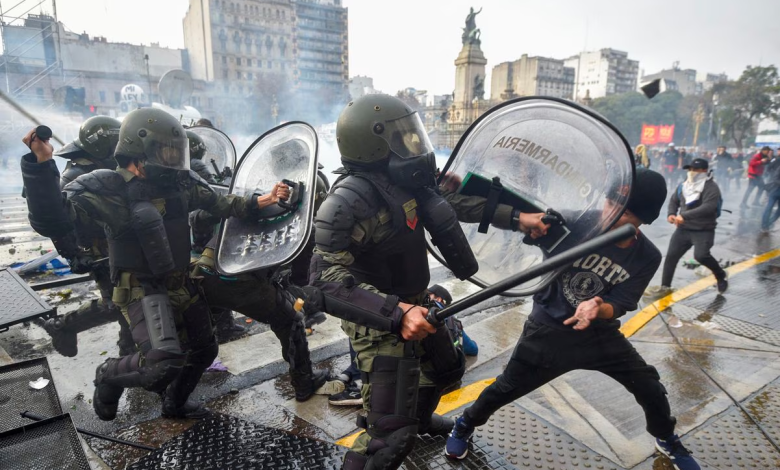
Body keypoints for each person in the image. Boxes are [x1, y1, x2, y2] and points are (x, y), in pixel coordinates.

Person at [309, 94, 550, 469]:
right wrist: (398, 312)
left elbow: (454, 204)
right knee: (390, 439)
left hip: (414, 300)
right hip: (377, 318)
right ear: (374, 143)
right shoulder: (347, 202)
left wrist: (519, 217)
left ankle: (418, 418)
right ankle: (393, 428)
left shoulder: (406, 180)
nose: (415, 142)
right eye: (402, 135)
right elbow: (324, 279)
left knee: (446, 367)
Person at [21, 108, 291, 421]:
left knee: (205, 350)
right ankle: (108, 375)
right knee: (162, 362)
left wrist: (264, 200)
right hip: (140, 287)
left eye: (177, 153)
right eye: (166, 152)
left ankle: (174, 404)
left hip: (180, 281)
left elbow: (220, 203)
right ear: (137, 154)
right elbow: (54, 218)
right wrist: (42, 165)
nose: (173, 160)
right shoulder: (107, 189)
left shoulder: (180, 184)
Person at [445, 168, 702, 470]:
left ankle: (665, 436)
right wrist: (461, 187)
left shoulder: (647, 256)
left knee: (649, 385)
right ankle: (464, 423)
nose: (610, 213)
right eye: (609, 203)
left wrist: (599, 307)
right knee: (504, 388)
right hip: (546, 329)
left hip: (599, 336)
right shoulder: (575, 223)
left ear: (642, 219)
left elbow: (621, 302)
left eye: (624, 212)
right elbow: (512, 210)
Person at [33, 116, 134, 357]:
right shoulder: (73, 175)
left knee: (128, 299)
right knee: (119, 302)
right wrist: (73, 254)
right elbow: (60, 221)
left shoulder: (105, 164)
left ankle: (130, 351)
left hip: (118, 239)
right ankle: (66, 326)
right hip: (98, 247)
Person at [646, 158, 727, 296]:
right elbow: (674, 200)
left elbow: (709, 207)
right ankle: (665, 287)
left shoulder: (711, 187)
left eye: (695, 170)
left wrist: (685, 215)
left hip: (703, 229)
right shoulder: (684, 185)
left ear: (704, 171)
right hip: (683, 229)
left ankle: (720, 275)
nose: (691, 172)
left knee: (701, 256)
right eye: (690, 169)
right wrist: (671, 213)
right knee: (671, 257)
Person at [427, 284, 478, 356]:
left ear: (438, 299)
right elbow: (473, 349)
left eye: (428, 295)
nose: (425, 297)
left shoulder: (424, 309)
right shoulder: (452, 320)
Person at [761, 150, 780, 233]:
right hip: (775, 190)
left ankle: (768, 223)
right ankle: (764, 225)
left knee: (778, 211)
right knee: (769, 207)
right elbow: (775, 178)